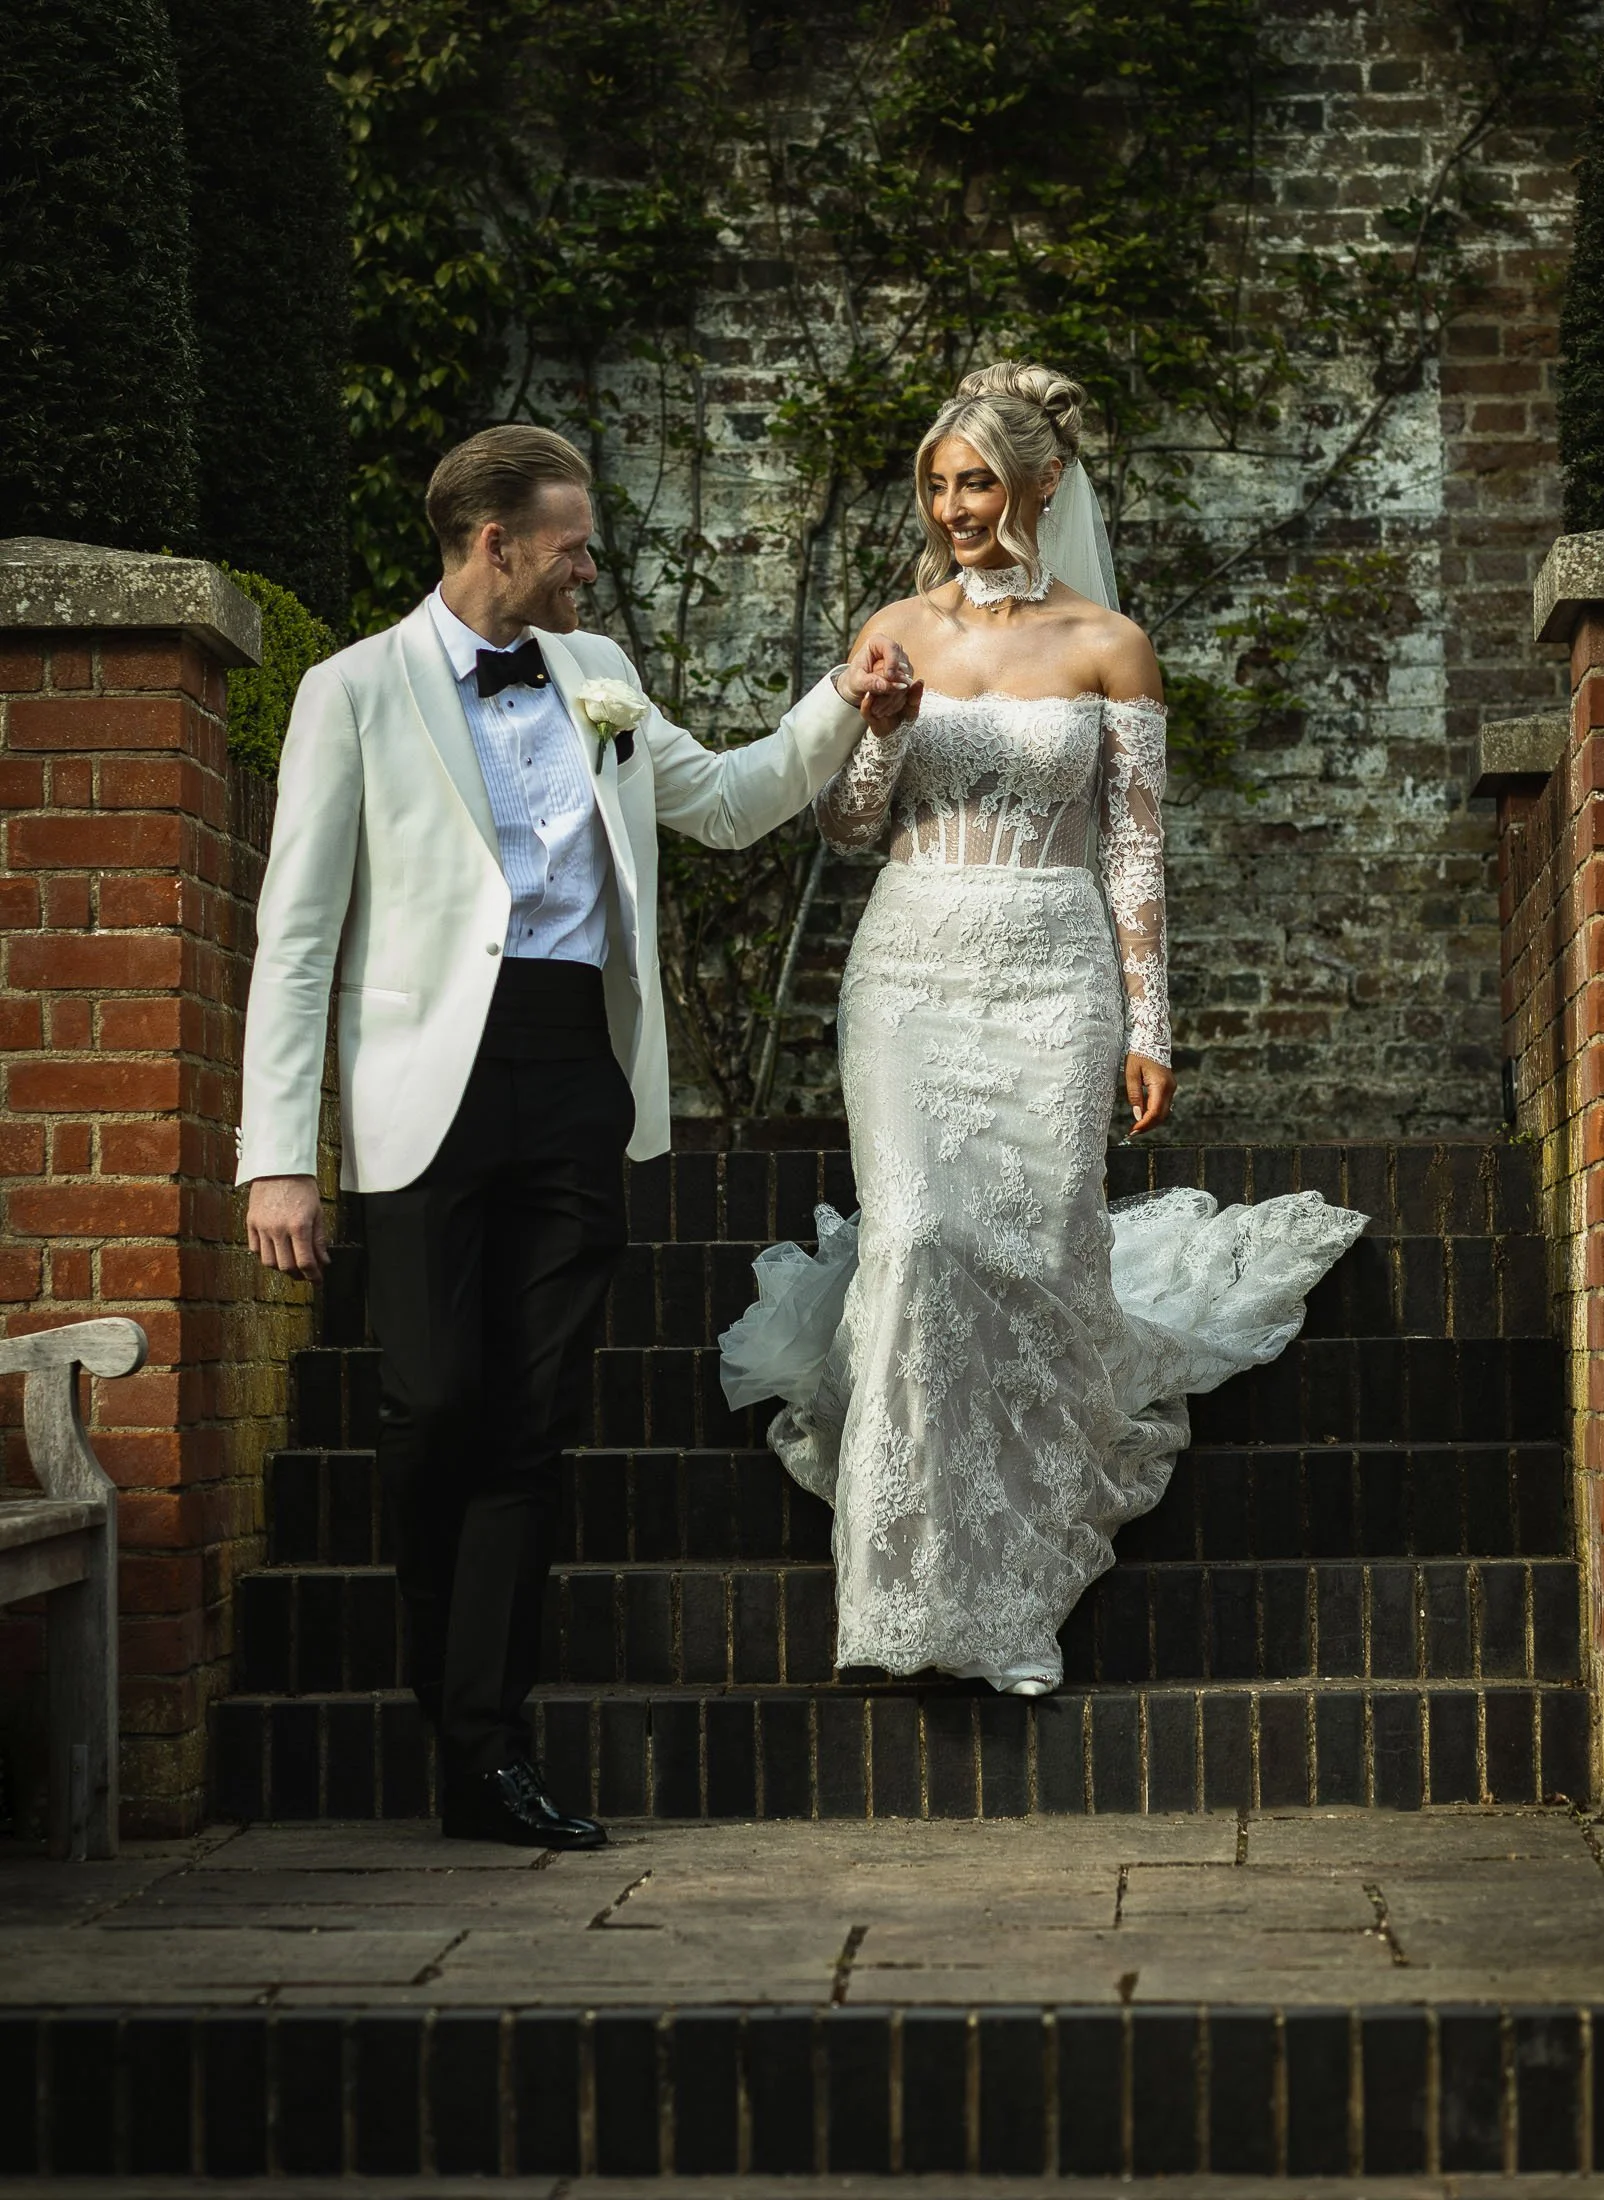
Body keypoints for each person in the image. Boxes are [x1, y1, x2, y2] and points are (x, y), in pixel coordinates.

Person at [239, 423, 914, 1845]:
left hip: (572, 1077)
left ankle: (487, 1748)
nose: (588, 565)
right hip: (424, 1090)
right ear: (494, 543)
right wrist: (279, 1154)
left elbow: (728, 807)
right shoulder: (350, 691)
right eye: (570, 543)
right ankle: (444, 1687)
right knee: (431, 1410)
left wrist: (843, 700)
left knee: (531, 1427)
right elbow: (295, 941)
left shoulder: (598, 678)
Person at [720, 362, 1365, 1696]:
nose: (955, 506)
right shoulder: (893, 623)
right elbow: (846, 829)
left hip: (1052, 973)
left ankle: (1015, 1583)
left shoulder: (1106, 645)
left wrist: (1151, 1026)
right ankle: (902, 1599)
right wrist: (883, 729)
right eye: (938, 484)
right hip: (908, 965)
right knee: (917, 1243)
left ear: (1039, 483)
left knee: (1025, 1254)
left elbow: (1133, 855)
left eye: (976, 481)